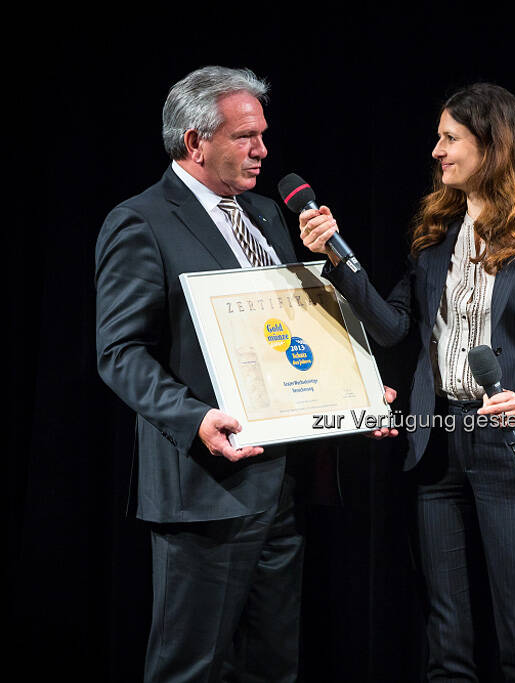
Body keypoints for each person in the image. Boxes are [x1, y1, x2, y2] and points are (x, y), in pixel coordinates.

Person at [95, 66, 395, 682]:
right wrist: (195, 418)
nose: (262, 150)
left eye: (262, 135)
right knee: (192, 667)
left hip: (279, 485)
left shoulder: (265, 213)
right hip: (204, 489)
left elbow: (286, 334)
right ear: (195, 142)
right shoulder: (141, 221)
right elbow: (119, 352)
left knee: (273, 664)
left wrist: (355, 393)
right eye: (244, 137)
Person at [298, 82, 515, 682]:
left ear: (492, 144)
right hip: (437, 450)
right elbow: (390, 328)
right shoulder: (437, 238)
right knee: (447, 647)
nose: (436, 150)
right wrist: (337, 254)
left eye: (450, 138)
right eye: (438, 138)